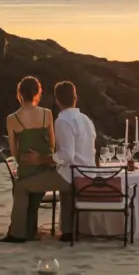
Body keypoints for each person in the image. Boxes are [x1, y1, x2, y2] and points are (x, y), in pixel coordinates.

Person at [0, 76, 67, 244]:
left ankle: (19, 232)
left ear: (19, 93)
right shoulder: (47, 114)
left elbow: (14, 152)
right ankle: (29, 230)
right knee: (32, 192)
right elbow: (52, 145)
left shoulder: (12, 118)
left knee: (21, 185)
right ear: (38, 93)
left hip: (27, 168)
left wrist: (24, 160)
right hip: (46, 167)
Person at [49, 80, 97, 238]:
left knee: (33, 183)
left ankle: (66, 230)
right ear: (75, 98)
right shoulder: (86, 119)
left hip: (75, 177)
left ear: (57, 100)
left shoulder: (62, 121)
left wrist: (49, 158)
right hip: (90, 173)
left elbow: (67, 156)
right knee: (62, 177)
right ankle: (69, 228)